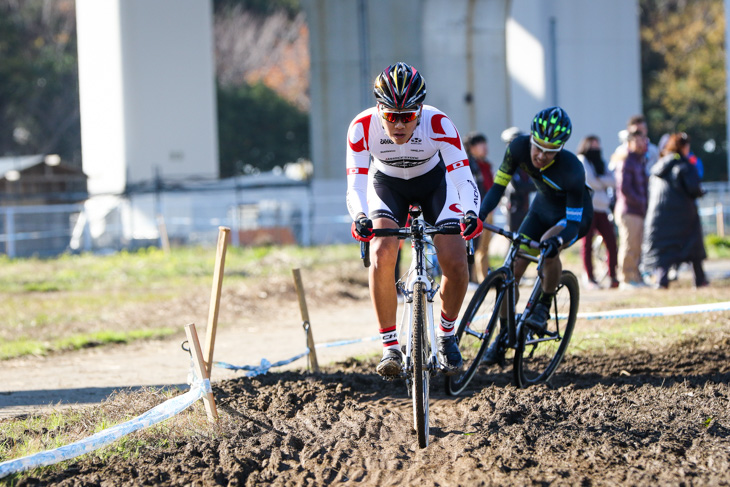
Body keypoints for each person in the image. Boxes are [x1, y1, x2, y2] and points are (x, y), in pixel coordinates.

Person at [346, 62, 482, 377]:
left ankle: (446, 335)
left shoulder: (439, 124)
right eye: (391, 116)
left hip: (435, 184)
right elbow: (354, 184)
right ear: (379, 110)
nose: (399, 124)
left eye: (407, 116)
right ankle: (390, 345)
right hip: (387, 186)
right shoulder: (362, 127)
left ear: (419, 112)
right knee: (382, 252)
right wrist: (360, 216)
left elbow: (462, 177)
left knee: (456, 258)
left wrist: (471, 212)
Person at [479, 107, 593, 364]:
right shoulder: (518, 148)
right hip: (541, 209)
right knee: (512, 271)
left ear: (561, 148)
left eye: (549, 151)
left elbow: (573, 226)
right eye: (538, 147)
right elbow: (498, 187)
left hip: (571, 216)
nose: (541, 155)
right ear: (530, 138)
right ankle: (504, 335)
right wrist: (479, 214)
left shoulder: (573, 170)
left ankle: (544, 303)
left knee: (547, 245)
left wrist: (558, 242)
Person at [642, 133, 709, 289]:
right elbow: (694, 188)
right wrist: (701, 192)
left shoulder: (658, 166)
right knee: (692, 246)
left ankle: (661, 280)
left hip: (658, 218)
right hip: (683, 216)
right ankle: (700, 279)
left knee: (663, 249)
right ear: (684, 147)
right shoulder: (685, 166)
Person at [576, 135, 619, 289]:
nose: (596, 148)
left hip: (602, 208)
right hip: (588, 208)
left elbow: (614, 181)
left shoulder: (602, 162)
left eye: (597, 145)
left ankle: (613, 275)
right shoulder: (582, 160)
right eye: (592, 145)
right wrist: (602, 181)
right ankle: (589, 277)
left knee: (611, 242)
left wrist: (599, 180)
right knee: (586, 244)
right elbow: (590, 181)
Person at [613, 128, 649, 289]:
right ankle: (626, 278)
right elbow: (624, 188)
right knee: (628, 245)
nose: (642, 143)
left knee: (637, 245)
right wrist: (641, 201)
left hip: (638, 210)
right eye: (638, 140)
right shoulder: (626, 160)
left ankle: (635, 275)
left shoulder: (640, 160)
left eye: (643, 140)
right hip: (628, 210)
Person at [465, 132, 494, 283]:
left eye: (485, 143)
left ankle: (482, 278)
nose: (484, 147)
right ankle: (470, 278)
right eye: (480, 144)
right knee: (472, 245)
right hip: (476, 211)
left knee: (483, 248)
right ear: (471, 147)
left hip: (488, 209)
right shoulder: (469, 165)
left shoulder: (485, 164)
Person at [500, 127, 534, 232]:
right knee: (513, 238)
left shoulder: (525, 165)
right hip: (514, 208)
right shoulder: (509, 165)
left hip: (525, 207)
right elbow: (518, 186)